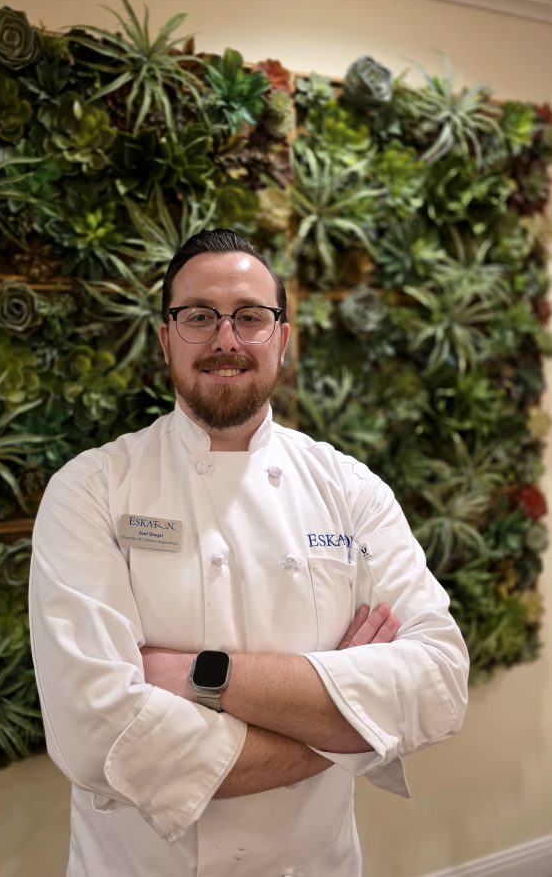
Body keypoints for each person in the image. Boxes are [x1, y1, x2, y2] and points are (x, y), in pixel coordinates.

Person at [29, 228, 469, 877]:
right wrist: (344, 725)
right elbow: (99, 739)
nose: (225, 340)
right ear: (165, 338)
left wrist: (197, 675)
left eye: (251, 318)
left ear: (281, 340)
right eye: (198, 317)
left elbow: (437, 682)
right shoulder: (90, 491)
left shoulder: (349, 489)